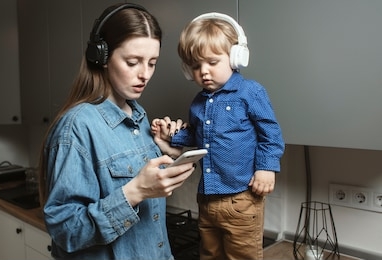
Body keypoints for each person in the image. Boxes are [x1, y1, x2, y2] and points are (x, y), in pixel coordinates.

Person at [38, 3, 194, 260]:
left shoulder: (140, 117)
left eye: (152, 63)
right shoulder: (77, 126)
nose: (145, 74)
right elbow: (65, 230)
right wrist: (135, 192)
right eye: (132, 62)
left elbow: (148, 206)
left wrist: (169, 156)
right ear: (101, 57)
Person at [152, 12, 285, 260]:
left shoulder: (250, 92)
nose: (203, 72)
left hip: (242, 199)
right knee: (209, 254)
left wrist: (267, 168)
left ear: (236, 57)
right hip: (207, 200)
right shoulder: (197, 103)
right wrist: (171, 137)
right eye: (195, 66)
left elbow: (271, 134)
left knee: (241, 256)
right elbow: (196, 137)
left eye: (212, 62)